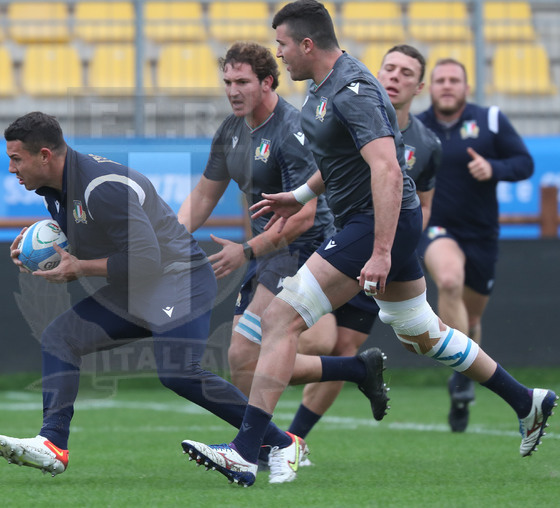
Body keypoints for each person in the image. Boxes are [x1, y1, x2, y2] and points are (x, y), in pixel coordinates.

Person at [180, 0, 556, 487]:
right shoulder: (323, 87)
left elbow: (387, 168)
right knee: (422, 333)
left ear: (307, 44)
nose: (280, 54)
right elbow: (339, 159)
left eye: (283, 45)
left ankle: (247, 452)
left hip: (374, 223)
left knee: (279, 319)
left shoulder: (352, 89)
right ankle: (527, 400)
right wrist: (299, 195)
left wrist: (380, 251)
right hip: (378, 224)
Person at [0, 111, 337, 483]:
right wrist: (40, 250)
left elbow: (146, 259)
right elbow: (100, 236)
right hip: (140, 286)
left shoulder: (100, 187)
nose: (12, 168)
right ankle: (53, 444)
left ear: (44, 155)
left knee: (178, 373)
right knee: (61, 338)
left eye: (16, 159)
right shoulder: (56, 187)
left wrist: (79, 269)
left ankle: (281, 442)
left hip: (180, 280)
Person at [289, 44, 442, 444]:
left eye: (406, 73)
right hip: (339, 240)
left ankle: (292, 440)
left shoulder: (427, 144)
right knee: (311, 338)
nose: (394, 77)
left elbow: (422, 204)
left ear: (419, 87)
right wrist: (300, 198)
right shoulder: (350, 105)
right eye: (389, 68)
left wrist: (392, 248)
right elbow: (327, 172)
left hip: (381, 250)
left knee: (345, 345)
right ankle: (276, 437)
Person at [177, 41, 337, 398]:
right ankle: (355, 369)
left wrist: (246, 250)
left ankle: (264, 436)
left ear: (267, 82)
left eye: (242, 82)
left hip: (302, 250)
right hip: (266, 252)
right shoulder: (230, 130)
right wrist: (169, 239)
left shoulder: (292, 131)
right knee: (244, 361)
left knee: (245, 353)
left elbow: (304, 217)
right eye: (228, 82)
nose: (233, 91)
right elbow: (204, 195)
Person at [416, 58, 535, 433]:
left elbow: (525, 163)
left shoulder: (491, 120)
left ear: (466, 87)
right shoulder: (417, 127)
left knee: (472, 320)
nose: (447, 85)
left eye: (454, 80)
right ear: (429, 87)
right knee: (449, 280)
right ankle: (463, 377)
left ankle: (461, 384)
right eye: (440, 80)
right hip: (436, 229)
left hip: (481, 235)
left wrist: (494, 169)